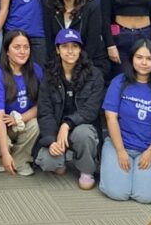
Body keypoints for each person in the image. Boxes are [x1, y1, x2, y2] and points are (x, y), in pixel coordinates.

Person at [34, 28, 105, 190]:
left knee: (83, 134)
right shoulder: (49, 75)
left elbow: (90, 111)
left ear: (81, 49)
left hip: (82, 128)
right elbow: (45, 111)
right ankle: (64, 157)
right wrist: (51, 140)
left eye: (75, 46)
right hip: (57, 130)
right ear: (58, 50)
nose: (70, 51)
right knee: (48, 162)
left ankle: (87, 170)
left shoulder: (94, 75)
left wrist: (67, 125)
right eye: (65, 46)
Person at [99, 38, 151, 203]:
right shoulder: (119, 82)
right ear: (132, 59)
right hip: (120, 144)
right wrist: (120, 151)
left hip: (149, 148)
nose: (144, 63)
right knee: (118, 193)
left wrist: (150, 152)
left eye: (149, 59)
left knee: (146, 196)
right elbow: (111, 117)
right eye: (139, 57)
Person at [0, 30, 42, 176]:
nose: (22, 51)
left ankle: (19, 161)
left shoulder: (36, 71)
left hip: (18, 120)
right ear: (7, 51)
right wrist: (5, 154)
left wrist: (19, 118)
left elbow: (42, 105)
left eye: (26, 47)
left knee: (36, 124)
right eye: (17, 47)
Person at [42, 0, 106, 72]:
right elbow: (50, 42)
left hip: (88, 64)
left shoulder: (91, 7)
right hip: (59, 65)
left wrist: (75, 69)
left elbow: (92, 44)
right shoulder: (50, 7)